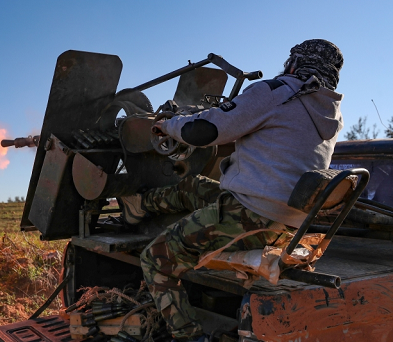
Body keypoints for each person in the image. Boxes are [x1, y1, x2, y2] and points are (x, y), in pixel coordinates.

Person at [118, 39, 344, 342]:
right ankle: (139, 206)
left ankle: (188, 336)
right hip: (287, 222)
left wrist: (169, 125)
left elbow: (203, 131)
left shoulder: (276, 92)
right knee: (194, 187)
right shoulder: (329, 111)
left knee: (156, 258)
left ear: (294, 63)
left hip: (249, 215)